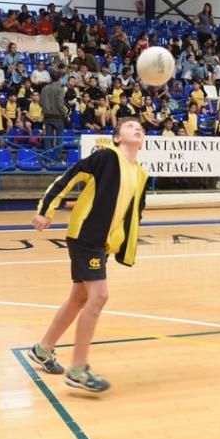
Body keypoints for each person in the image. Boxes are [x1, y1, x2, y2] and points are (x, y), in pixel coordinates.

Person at [26, 118, 150, 393]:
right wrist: (46, 210)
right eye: (130, 127)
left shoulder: (140, 173)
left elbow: (132, 215)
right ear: (117, 138)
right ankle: (78, 370)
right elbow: (70, 177)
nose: (137, 129)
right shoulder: (106, 157)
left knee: (79, 297)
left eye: (140, 128)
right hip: (85, 236)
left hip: (101, 243)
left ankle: (42, 349)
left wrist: (119, 243)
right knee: (99, 296)